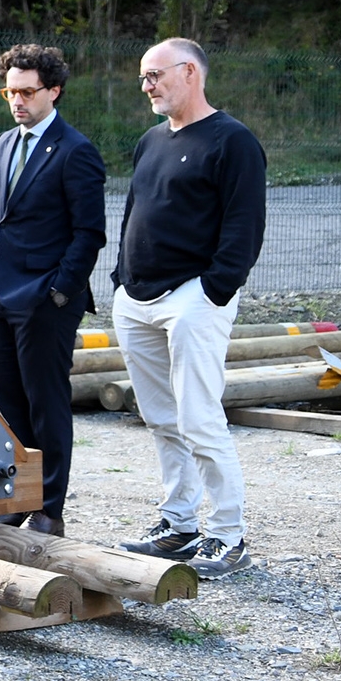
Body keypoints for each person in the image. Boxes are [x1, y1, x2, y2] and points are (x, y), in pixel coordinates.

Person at [113, 38, 266, 578]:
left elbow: (245, 226)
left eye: (155, 75)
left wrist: (215, 290)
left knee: (199, 418)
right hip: (136, 299)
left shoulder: (233, 142)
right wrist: (120, 279)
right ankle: (179, 525)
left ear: (190, 73)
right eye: (143, 77)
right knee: (160, 418)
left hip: (194, 299)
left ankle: (228, 535)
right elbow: (136, 209)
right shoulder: (151, 140)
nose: (147, 85)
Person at [0, 45, 107, 537]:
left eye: (27, 91)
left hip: (45, 302)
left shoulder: (76, 151)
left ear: (54, 91)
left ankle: (50, 508)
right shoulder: (4, 143)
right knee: (8, 404)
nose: (17, 100)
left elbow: (90, 232)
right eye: (10, 90)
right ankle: (14, 497)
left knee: (46, 402)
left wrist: (60, 293)